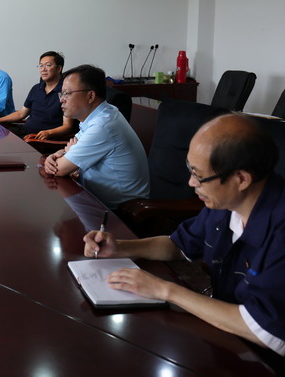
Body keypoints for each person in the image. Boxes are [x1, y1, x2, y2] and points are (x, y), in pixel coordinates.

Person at [84, 114, 285, 356]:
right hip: (224, 333)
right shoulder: (225, 204)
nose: (191, 183)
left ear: (240, 179)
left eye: (199, 176)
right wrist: (121, 248)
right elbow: (177, 245)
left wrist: (165, 290)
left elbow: (266, 331)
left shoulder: (279, 228)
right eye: (190, 170)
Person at [43, 65, 149, 210]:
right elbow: (69, 150)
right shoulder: (100, 115)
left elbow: (60, 169)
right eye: (61, 94)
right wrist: (55, 155)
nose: (61, 100)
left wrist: (64, 158)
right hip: (93, 199)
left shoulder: (103, 125)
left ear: (90, 96)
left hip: (119, 211)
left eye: (67, 93)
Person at [0, 51, 73, 140]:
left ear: (59, 69)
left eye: (48, 65)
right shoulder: (36, 88)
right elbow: (21, 114)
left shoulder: (66, 92)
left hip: (40, 139)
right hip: (25, 131)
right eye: (41, 65)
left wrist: (49, 132)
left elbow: (67, 126)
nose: (43, 69)